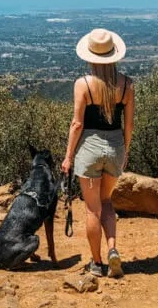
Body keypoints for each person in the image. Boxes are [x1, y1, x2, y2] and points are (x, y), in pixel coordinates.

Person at [61, 28, 134, 278]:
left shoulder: (83, 84)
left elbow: (77, 124)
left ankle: (96, 263)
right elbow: (129, 125)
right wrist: (125, 150)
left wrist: (68, 157)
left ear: (90, 56)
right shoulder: (127, 85)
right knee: (106, 202)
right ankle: (112, 249)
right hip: (115, 148)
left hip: (89, 150)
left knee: (92, 209)